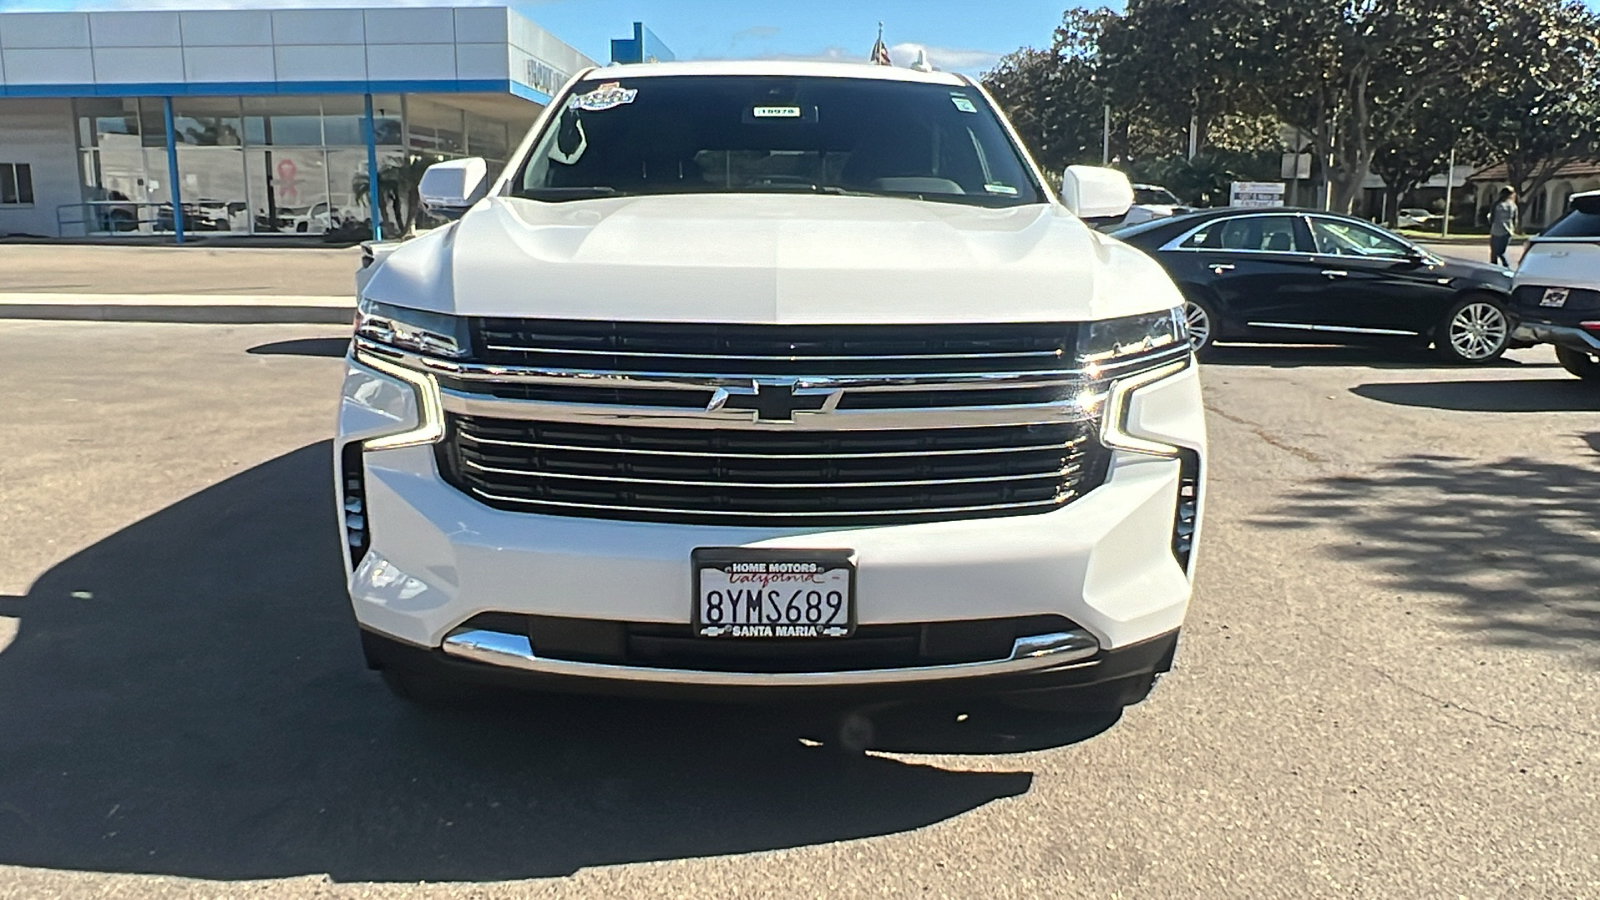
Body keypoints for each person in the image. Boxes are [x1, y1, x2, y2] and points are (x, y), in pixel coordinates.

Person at [1489, 186, 1519, 267]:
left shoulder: (1496, 204)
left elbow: (1492, 218)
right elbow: (1515, 219)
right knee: (1501, 252)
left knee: (1494, 252)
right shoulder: (1513, 205)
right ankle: (1506, 267)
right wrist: (1513, 229)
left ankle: (1494, 268)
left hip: (1496, 230)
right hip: (1508, 230)